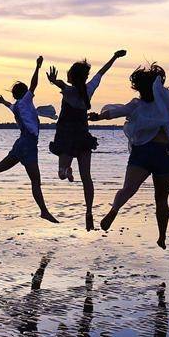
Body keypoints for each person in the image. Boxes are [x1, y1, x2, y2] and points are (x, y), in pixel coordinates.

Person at [90, 36, 169, 249]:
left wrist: (98, 117)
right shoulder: (168, 98)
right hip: (163, 154)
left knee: (128, 189)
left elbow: (116, 112)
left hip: (142, 152)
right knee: (161, 199)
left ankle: (114, 210)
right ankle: (162, 236)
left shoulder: (137, 104)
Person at [0, 56, 60, 223]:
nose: (32, 94)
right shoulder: (26, 100)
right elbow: (34, 85)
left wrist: (2, 101)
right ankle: (44, 211)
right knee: (36, 181)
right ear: (24, 94)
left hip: (21, 144)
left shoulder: (16, 106)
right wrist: (37, 67)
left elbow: (10, 105)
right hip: (28, 145)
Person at [46, 49, 127, 230]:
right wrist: (114, 56)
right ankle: (89, 212)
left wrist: (53, 81)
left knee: (61, 174)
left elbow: (60, 84)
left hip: (66, 136)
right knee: (86, 178)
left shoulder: (68, 91)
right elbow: (101, 73)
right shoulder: (88, 89)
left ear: (72, 76)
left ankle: (67, 170)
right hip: (82, 136)